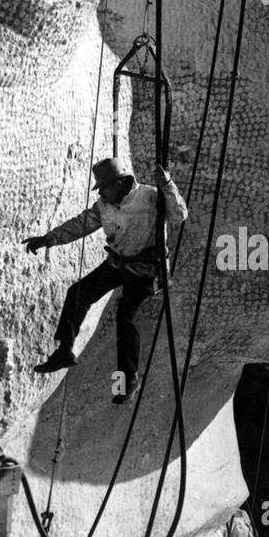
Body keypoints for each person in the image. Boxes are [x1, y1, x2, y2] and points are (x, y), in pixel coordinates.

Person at [24, 158, 188, 401]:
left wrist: (167, 185)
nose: (101, 192)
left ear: (120, 183)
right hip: (119, 263)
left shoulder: (151, 197)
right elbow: (81, 224)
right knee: (78, 293)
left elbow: (179, 214)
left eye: (104, 187)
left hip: (146, 270)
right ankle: (64, 350)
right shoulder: (105, 205)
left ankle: (127, 381)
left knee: (125, 318)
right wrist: (48, 239)